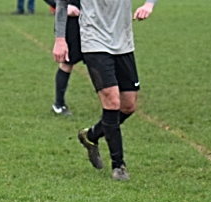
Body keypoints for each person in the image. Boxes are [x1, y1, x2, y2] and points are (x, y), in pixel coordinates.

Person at [53, 0, 157, 180]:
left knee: (128, 106)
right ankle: (119, 166)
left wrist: (149, 4)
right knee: (112, 100)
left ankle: (91, 135)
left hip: (123, 43)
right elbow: (62, 4)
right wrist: (60, 39)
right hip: (94, 42)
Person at [50, 0, 81, 116]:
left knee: (99, 61)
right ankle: (59, 104)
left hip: (95, 22)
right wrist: (60, 6)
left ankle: (110, 104)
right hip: (71, 21)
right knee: (67, 62)